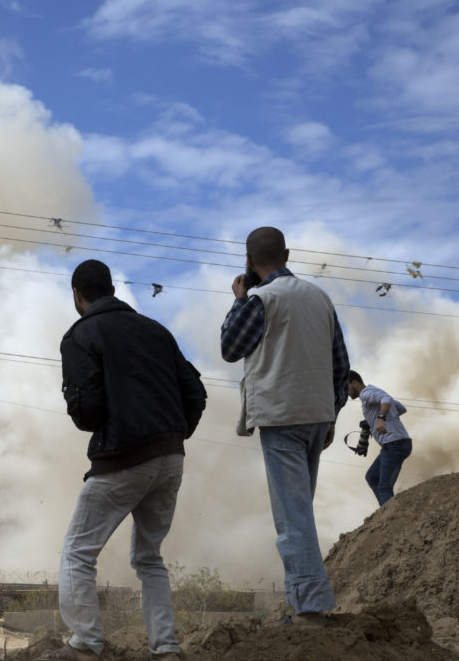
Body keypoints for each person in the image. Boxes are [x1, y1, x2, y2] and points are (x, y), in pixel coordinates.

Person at [39, 259, 207, 661]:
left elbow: (88, 411)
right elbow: (196, 394)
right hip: (170, 457)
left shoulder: (81, 334)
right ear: (111, 289)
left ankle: (85, 644)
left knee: (79, 551)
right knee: (149, 558)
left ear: (78, 295)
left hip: (123, 459)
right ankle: (166, 649)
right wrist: (173, 434)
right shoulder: (157, 330)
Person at [220, 227, 350, 627]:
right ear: (288, 253)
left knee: (292, 516)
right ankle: (307, 601)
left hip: (281, 416)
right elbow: (340, 364)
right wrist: (332, 412)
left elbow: (229, 347)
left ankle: (309, 611)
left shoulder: (260, 299)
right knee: (301, 510)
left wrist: (239, 300)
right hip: (316, 415)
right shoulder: (319, 296)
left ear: (248, 259)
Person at [347, 371, 413, 505]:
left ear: (354, 383)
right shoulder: (374, 392)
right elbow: (401, 408)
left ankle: (391, 518)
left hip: (394, 444)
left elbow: (387, 400)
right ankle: (386, 513)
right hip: (396, 444)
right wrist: (375, 421)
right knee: (372, 477)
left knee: (384, 487)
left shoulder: (365, 394)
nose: (345, 392)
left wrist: (381, 419)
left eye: (345, 387)